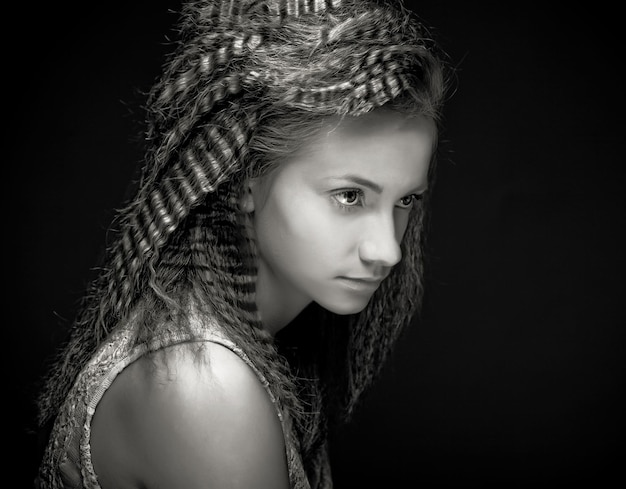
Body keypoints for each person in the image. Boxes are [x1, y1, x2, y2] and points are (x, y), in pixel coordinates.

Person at [34, 0, 451, 487]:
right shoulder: (204, 388)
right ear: (248, 179)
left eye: (406, 201)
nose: (388, 251)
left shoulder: (244, 350)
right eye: (349, 196)